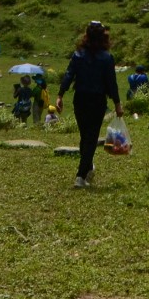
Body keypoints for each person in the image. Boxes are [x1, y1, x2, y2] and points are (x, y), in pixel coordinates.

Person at [53, 20, 122, 189]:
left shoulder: (78, 55)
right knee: (91, 137)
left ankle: (88, 167)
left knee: (85, 136)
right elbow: (111, 82)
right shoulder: (107, 58)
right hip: (97, 101)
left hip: (80, 99)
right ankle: (81, 175)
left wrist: (60, 95)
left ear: (86, 36)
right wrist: (118, 103)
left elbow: (69, 75)